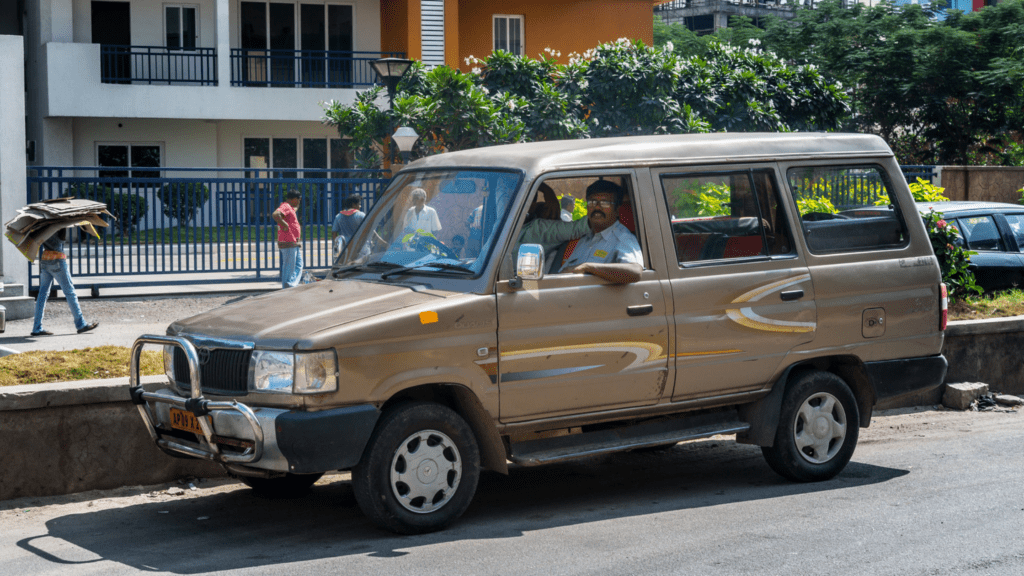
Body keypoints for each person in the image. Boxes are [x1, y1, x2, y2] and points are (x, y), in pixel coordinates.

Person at [522, 179, 642, 284]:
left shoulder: (622, 238)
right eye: (592, 202)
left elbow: (635, 272)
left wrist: (588, 267)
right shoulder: (584, 237)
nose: (597, 208)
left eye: (605, 203)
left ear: (617, 210)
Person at [31, 228, 98, 336]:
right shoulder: (59, 225)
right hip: (57, 260)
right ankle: (81, 324)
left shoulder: (42, 226)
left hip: (45, 260)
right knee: (70, 292)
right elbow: (61, 238)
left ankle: (36, 328)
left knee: (42, 294)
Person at [272, 189, 303, 288]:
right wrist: (284, 224)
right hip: (288, 242)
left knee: (298, 264)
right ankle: (286, 288)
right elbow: (275, 214)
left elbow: (294, 209)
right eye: (298, 200)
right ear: (294, 199)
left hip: (293, 242)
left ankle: (291, 284)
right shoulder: (285, 206)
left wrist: (298, 205)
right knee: (289, 267)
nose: (299, 202)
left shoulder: (290, 207)